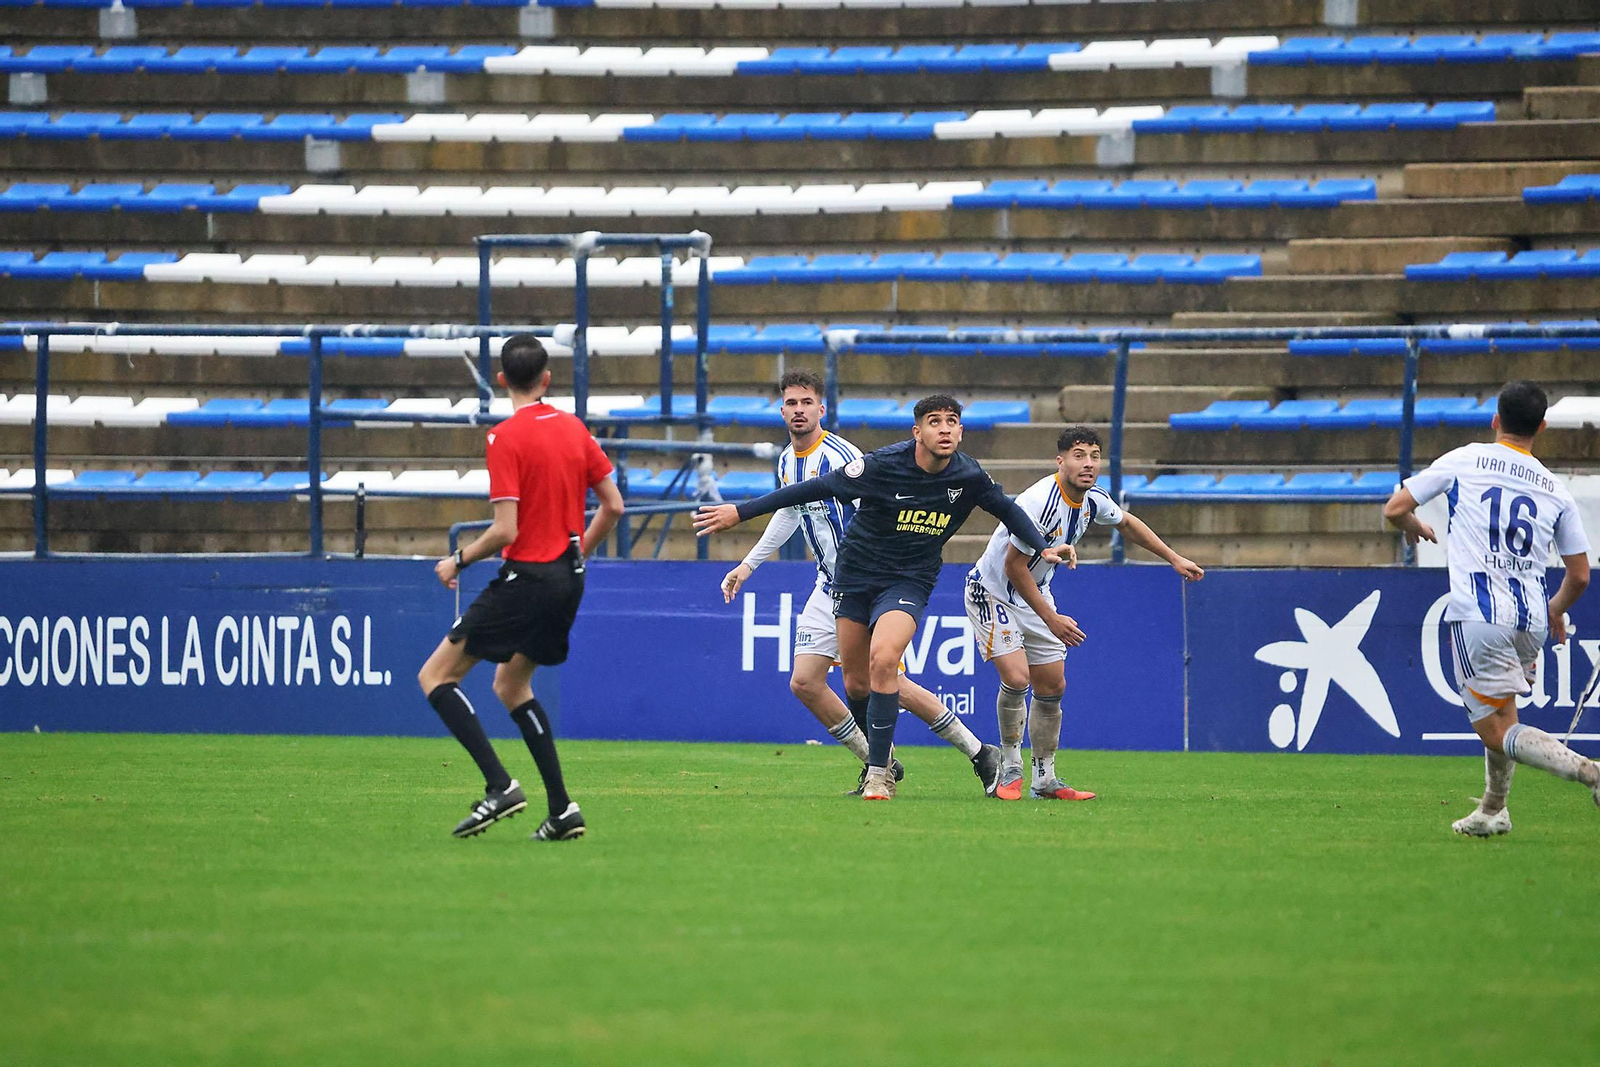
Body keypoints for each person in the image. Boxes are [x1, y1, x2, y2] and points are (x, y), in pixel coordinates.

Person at [696, 394, 1071, 801]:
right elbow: (811, 490)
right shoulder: (881, 466)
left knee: (884, 661)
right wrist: (741, 512)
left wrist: (1041, 546)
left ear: (961, 431)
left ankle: (879, 775)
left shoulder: (968, 476)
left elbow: (1008, 510)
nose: (944, 429)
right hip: (854, 578)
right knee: (856, 684)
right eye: (934, 421)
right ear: (917, 432)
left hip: (908, 582)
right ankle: (948, 757)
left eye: (951, 422)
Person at [416, 334, 624, 842]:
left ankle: (500, 785)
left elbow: (506, 530)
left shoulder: (504, 437)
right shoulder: (574, 428)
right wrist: (579, 552)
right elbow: (614, 505)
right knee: (512, 685)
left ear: (502, 379)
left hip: (526, 577)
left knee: (436, 678)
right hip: (567, 579)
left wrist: (457, 560)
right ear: (547, 379)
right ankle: (562, 810)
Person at [1384, 379, 1595, 836]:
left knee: (1496, 730)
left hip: (1480, 616)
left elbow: (1394, 506)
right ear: (1541, 426)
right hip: (1531, 619)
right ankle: (1492, 810)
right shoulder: (1554, 489)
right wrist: (1556, 609)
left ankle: (1589, 771)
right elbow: (1579, 575)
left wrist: (1413, 525)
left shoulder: (1466, 458)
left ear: (1496, 419)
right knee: (1504, 712)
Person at [966, 427, 1204, 801]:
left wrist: (1173, 557)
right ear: (1060, 461)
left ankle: (1044, 779)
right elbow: (1013, 567)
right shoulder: (1040, 502)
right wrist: (1051, 619)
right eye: (1079, 455)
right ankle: (1010, 768)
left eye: (1094, 455)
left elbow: (1126, 523)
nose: (1088, 463)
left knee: (1052, 686)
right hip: (992, 591)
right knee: (1016, 677)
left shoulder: (1093, 499)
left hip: (1034, 592)